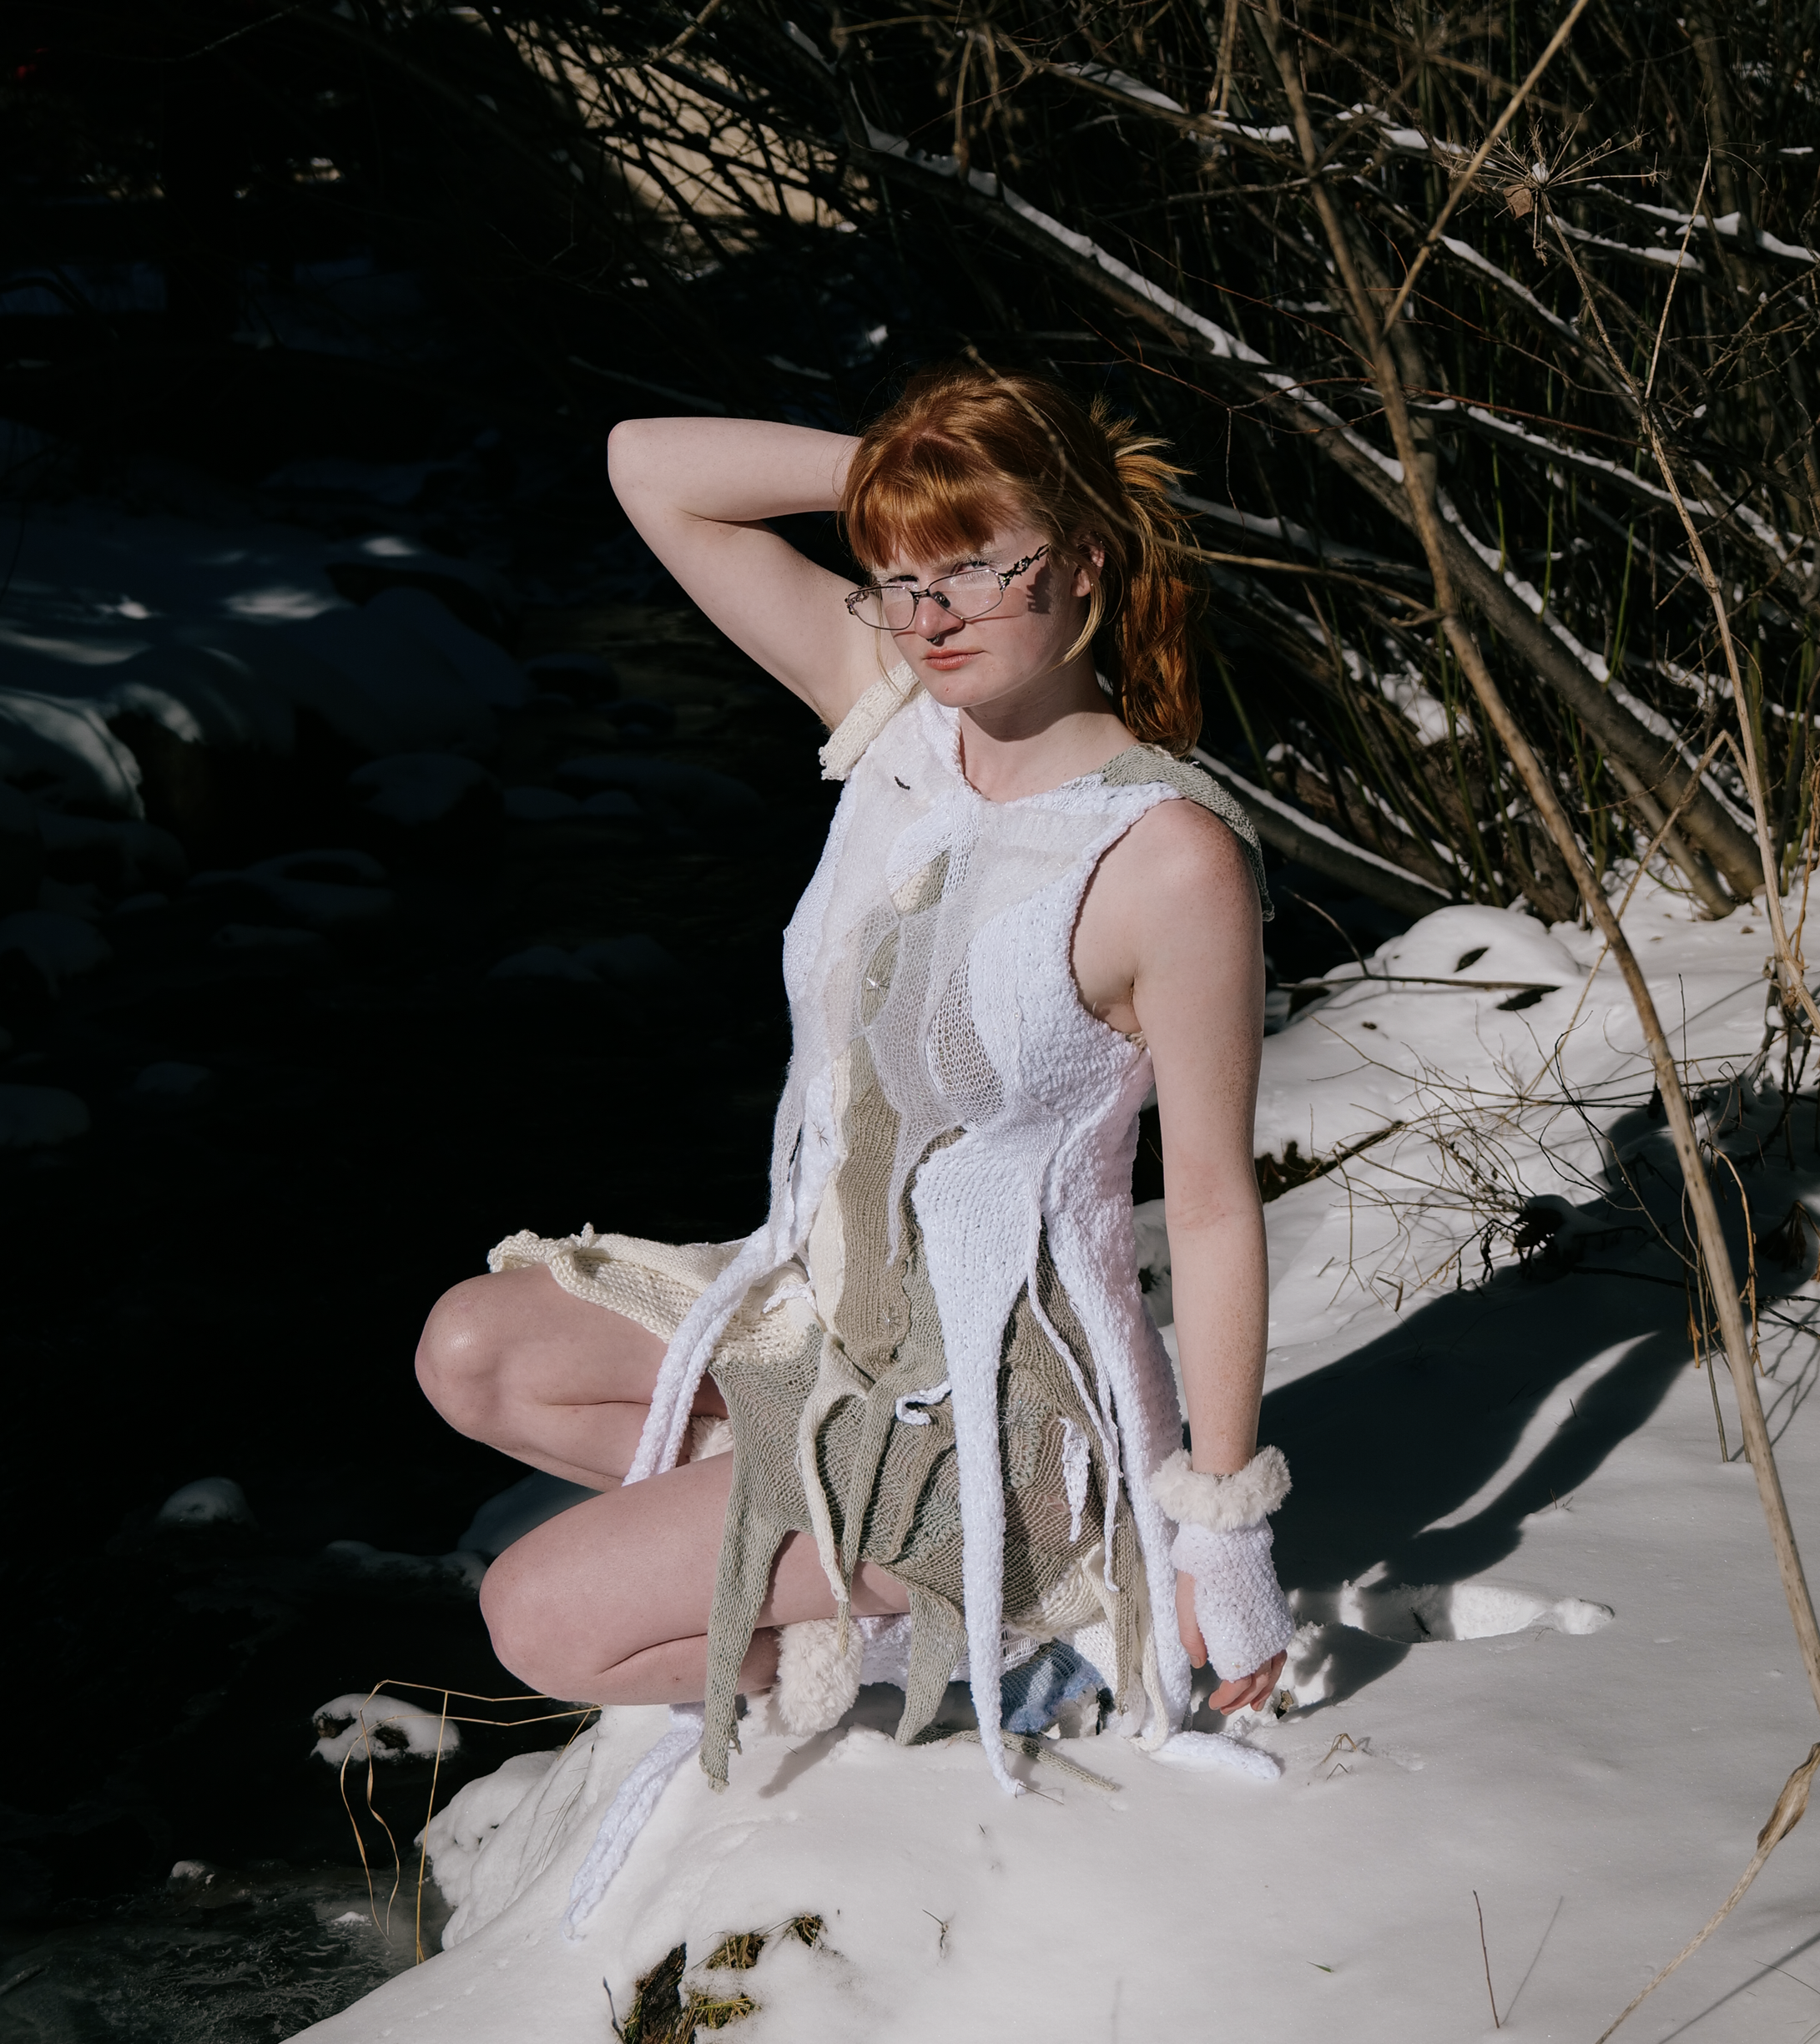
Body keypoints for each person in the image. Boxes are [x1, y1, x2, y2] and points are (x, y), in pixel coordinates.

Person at [416, 366, 1291, 1799]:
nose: (929, 614)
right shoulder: (898, 719)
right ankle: (835, 1551)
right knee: (475, 1350)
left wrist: (1224, 1537)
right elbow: (649, 461)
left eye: (973, 569)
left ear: (1082, 557)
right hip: (826, 1318)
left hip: (997, 1416)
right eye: (895, 578)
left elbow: (1207, 1207)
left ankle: (988, 1625)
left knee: (539, 1616)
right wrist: (920, 478)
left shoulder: (1165, 857)